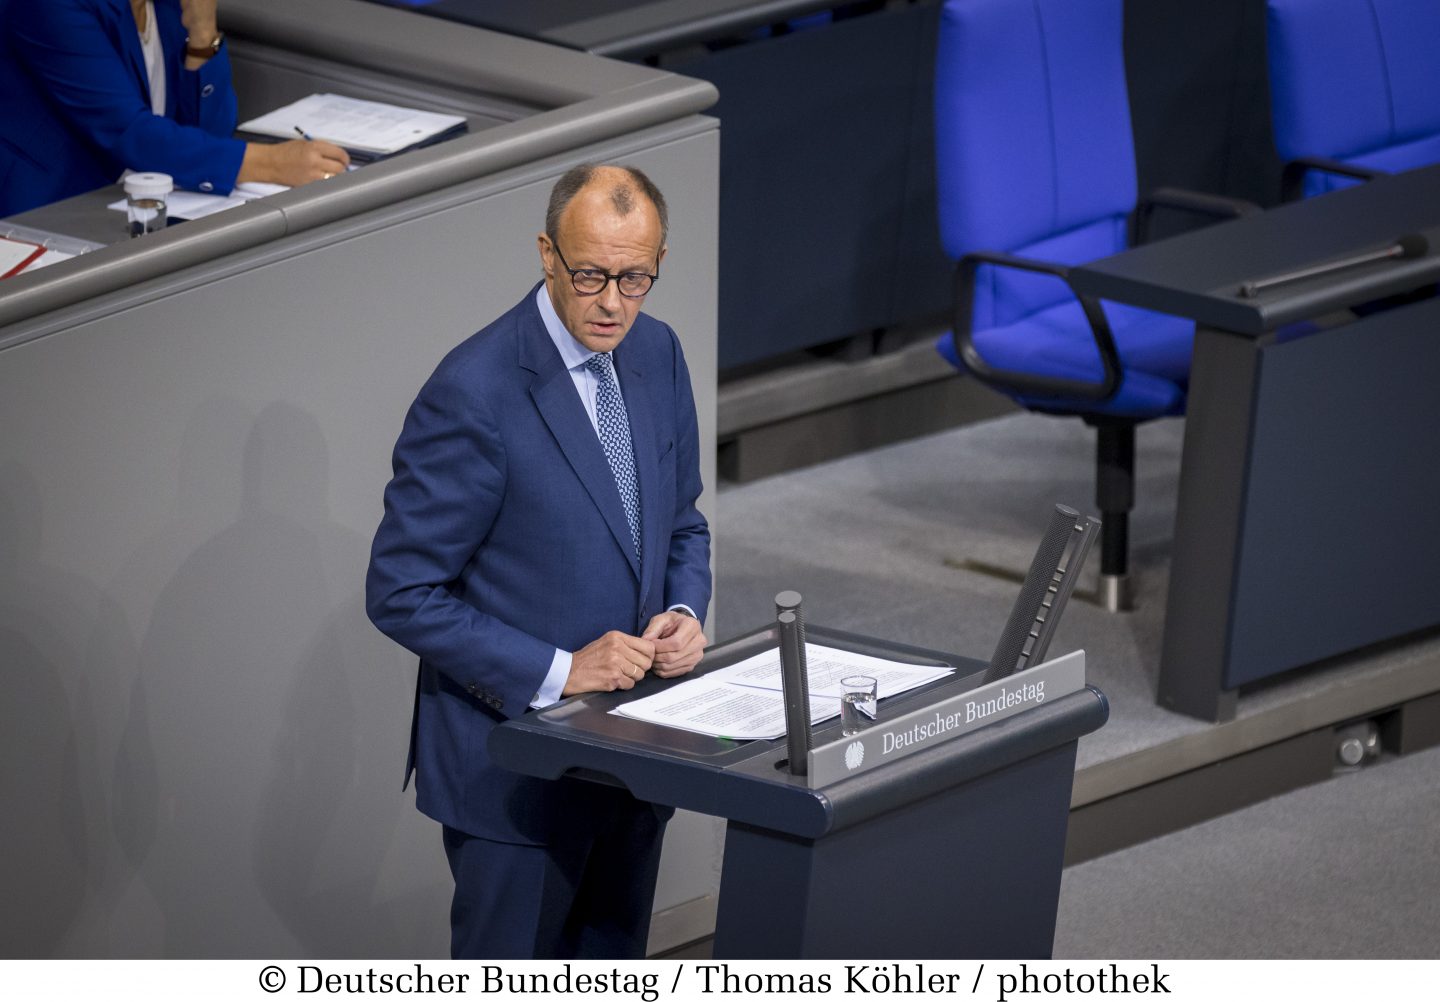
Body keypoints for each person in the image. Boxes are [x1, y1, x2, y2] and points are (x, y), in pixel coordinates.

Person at [365, 163, 712, 959]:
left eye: (636, 277)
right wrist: (560, 670)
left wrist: (684, 615)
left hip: (635, 757)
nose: (614, 301)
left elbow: (682, 524)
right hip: (514, 779)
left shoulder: (656, 353)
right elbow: (401, 590)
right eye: (591, 274)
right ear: (547, 255)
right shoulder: (474, 391)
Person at [0, 0, 349, 217]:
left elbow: (209, 133)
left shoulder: (165, 5)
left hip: (140, 204)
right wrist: (273, 163)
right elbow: (129, 133)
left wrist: (202, 33)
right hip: (51, 214)